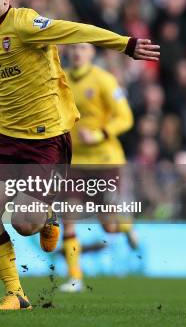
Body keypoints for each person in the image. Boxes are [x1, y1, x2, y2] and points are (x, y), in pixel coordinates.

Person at [0, 0, 159, 310]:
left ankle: (50, 212)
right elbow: (4, 79)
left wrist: (125, 44)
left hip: (45, 141)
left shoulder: (26, 23)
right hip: (6, 136)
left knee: (25, 225)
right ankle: (15, 292)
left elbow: (75, 30)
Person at [59, 43, 138, 293]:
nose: (76, 52)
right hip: (75, 162)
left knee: (109, 224)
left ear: (92, 53)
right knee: (68, 217)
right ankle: (74, 277)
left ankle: (125, 226)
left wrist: (100, 133)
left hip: (105, 159)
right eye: (72, 48)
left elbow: (125, 117)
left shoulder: (104, 80)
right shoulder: (60, 80)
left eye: (82, 48)